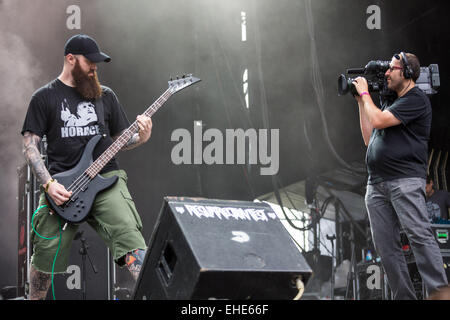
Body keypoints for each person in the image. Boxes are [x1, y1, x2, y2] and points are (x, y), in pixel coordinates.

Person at [21, 34, 152, 300]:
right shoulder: (44, 98)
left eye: (97, 63)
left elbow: (120, 141)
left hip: (107, 179)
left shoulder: (106, 97)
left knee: (129, 236)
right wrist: (49, 184)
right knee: (45, 252)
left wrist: (143, 137)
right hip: (64, 187)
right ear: (71, 59)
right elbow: (30, 147)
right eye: (89, 62)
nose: (95, 68)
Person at [352, 52, 448, 299]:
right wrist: (360, 102)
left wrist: (365, 94)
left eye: (391, 69)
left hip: (404, 180)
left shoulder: (416, 99)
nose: (386, 73)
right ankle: (404, 297)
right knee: (386, 248)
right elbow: (368, 137)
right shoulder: (388, 103)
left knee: (418, 235)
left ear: (406, 73)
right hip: (377, 185)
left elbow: (380, 121)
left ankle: (440, 292)